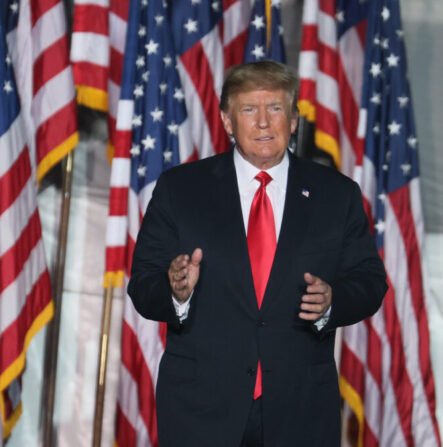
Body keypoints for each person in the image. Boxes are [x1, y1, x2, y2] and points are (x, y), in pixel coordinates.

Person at [127, 61, 387, 446]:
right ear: (228, 122)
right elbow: (143, 283)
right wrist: (176, 291)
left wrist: (334, 301)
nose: (263, 123)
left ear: (294, 119)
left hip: (301, 411)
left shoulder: (337, 195)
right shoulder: (181, 190)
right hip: (201, 410)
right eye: (249, 110)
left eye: (276, 109)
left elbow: (370, 280)